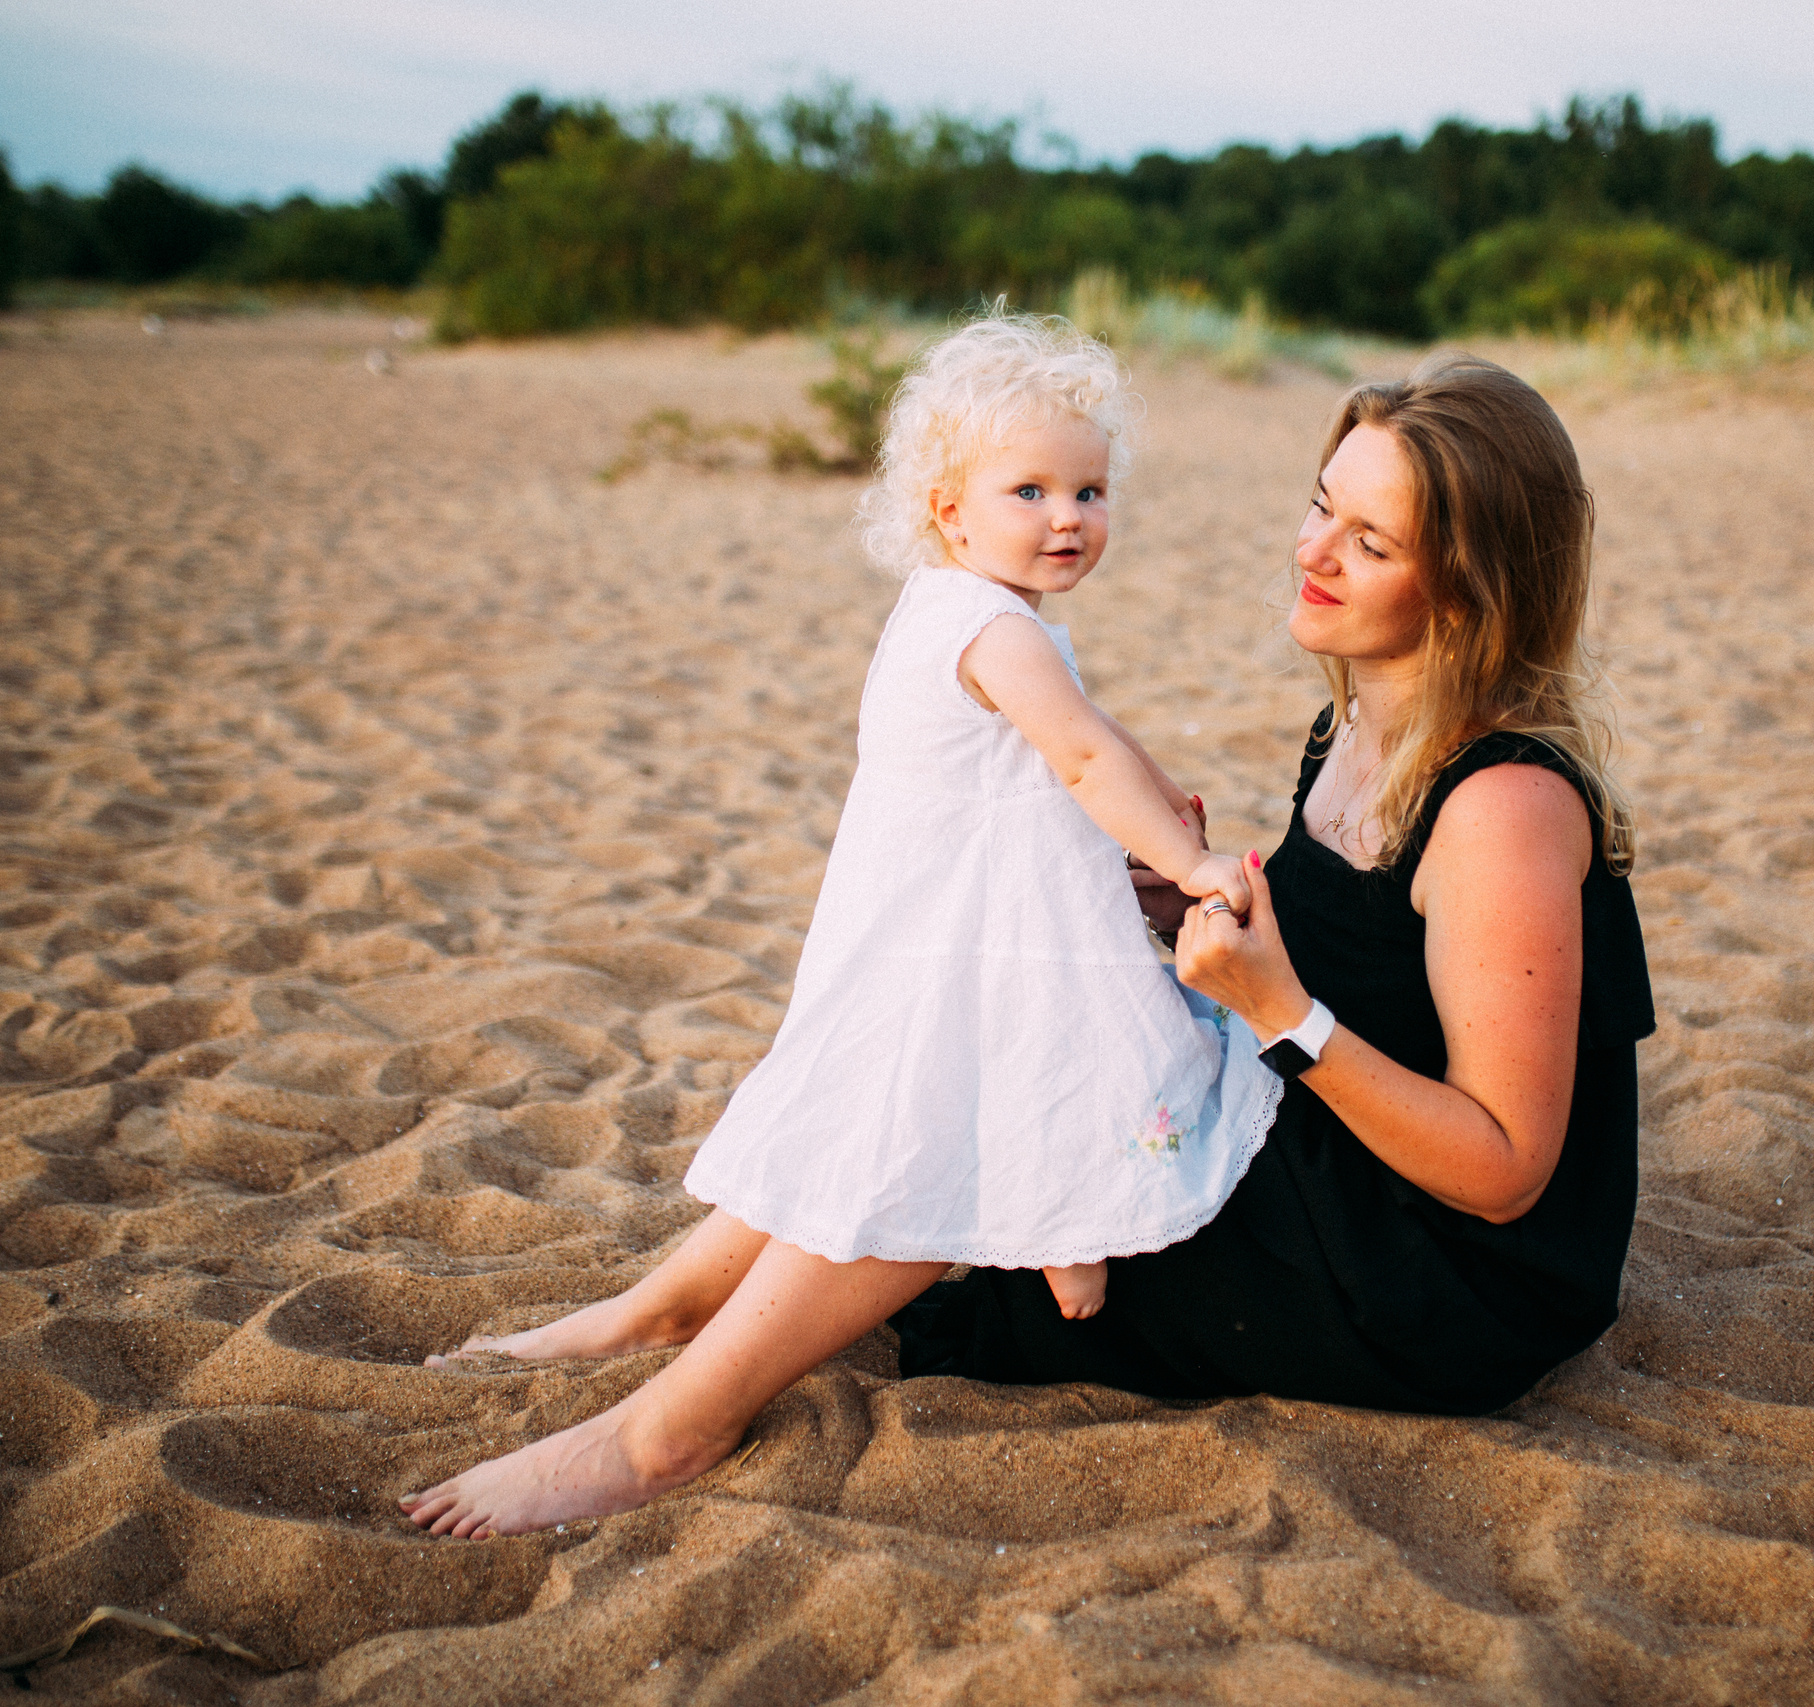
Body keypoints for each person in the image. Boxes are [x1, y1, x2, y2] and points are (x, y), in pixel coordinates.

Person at [400, 314, 1281, 1541]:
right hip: (971, 931)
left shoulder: (957, 603)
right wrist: (1185, 858)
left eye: (1089, 487)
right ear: (948, 506)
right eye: (1027, 488)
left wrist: (1144, 798)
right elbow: (1079, 751)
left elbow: (1090, 738)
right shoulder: (995, 628)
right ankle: (1062, 1231)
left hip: (935, 916)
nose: (1067, 514)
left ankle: (675, 1305)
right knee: (1014, 1079)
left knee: (946, 1087)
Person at [895, 351, 1657, 1414]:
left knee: (1016, 1269)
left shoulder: (1502, 807)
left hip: (1439, 1275)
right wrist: (1190, 912)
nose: (1313, 553)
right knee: (998, 1051)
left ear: (1472, 589)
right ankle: (692, 1327)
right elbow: (1373, 959)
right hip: (1331, 1145)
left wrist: (1279, 1013)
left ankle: (679, 1411)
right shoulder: (1356, 723)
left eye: (1370, 543)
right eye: (1320, 506)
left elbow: (1504, 1170)